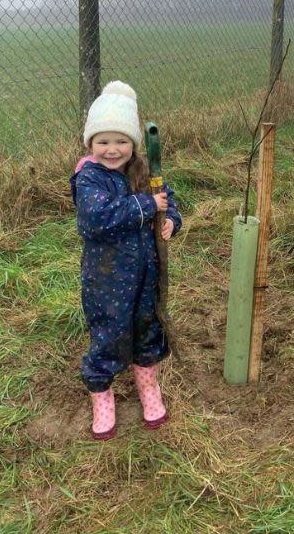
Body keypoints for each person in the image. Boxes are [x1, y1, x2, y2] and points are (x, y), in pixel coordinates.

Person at [72, 81, 181, 440]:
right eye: (103, 141)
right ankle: (102, 398)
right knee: (108, 332)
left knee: (147, 327)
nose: (112, 150)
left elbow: (167, 200)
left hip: (146, 274)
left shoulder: (144, 172)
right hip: (106, 279)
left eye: (121, 141)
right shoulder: (89, 178)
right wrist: (147, 206)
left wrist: (169, 220)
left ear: (133, 143)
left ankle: (148, 388)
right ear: (90, 144)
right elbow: (95, 219)